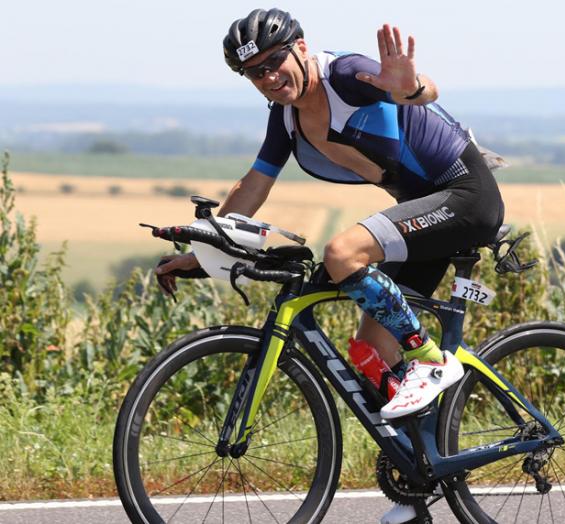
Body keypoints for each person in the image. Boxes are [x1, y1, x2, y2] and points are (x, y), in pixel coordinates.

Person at [155, 8, 505, 523]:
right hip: (421, 213)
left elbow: (423, 90)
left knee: (342, 253)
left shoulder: (345, 75)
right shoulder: (287, 116)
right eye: (254, 73)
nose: (268, 77)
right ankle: (420, 480)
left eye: (274, 62)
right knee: (370, 353)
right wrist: (204, 251)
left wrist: (410, 88)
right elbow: (252, 187)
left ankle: (430, 360)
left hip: (465, 196)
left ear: (300, 48)